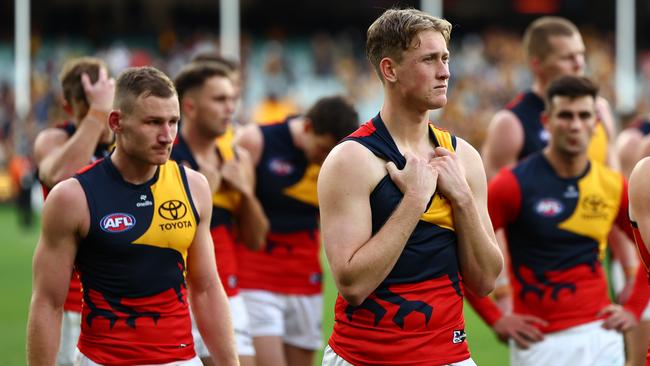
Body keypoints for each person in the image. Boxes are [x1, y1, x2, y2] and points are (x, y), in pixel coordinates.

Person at [318, 8, 503, 365]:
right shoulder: (351, 160)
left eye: (446, 58)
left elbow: (485, 280)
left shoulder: (463, 157)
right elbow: (353, 286)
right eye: (429, 59)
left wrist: (462, 197)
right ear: (390, 70)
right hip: (366, 358)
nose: (445, 71)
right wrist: (415, 199)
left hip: (450, 356)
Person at [26, 66, 238, 366]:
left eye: (173, 122)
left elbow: (205, 289)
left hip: (180, 359)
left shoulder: (195, 187)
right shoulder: (73, 197)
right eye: (153, 122)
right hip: (103, 360)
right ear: (116, 122)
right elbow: (48, 303)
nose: (167, 136)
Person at [465, 75, 650, 366]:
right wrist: (496, 319)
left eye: (584, 115)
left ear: (596, 123)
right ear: (546, 121)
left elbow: (647, 253)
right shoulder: (512, 184)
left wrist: (634, 309)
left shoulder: (612, 186)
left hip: (602, 337)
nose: (575, 125)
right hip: (540, 343)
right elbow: (462, 251)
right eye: (565, 115)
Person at [479, 15, 638, 334]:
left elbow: (614, 191)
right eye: (568, 56)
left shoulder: (600, 111)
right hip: (537, 285)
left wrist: (630, 270)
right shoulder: (510, 124)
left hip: (594, 270)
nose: (580, 63)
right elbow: (489, 218)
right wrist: (504, 292)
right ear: (538, 63)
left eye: (581, 54)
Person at [233, 95, 358, 366]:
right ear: (307, 127)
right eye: (323, 149)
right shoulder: (256, 141)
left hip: (305, 278)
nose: (325, 160)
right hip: (257, 275)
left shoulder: (341, 161)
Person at [172, 61, 269, 366]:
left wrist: (245, 191)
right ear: (189, 106)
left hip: (226, 294)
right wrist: (204, 191)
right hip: (176, 298)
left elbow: (256, 239)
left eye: (232, 99)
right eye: (219, 100)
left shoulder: (237, 159)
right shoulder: (165, 158)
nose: (229, 108)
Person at [32, 56, 115, 366]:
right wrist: (96, 114)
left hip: (120, 300)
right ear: (69, 107)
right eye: (91, 102)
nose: (104, 109)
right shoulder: (54, 139)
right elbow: (60, 175)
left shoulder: (128, 143)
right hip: (68, 303)